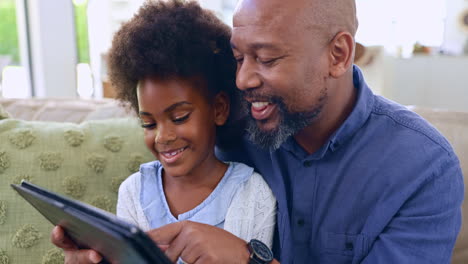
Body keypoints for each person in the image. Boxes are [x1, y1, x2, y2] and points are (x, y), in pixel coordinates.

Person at [54, 0, 464, 263]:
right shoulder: (230, 125)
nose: (244, 79)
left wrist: (250, 261)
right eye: (238, 57)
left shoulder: (423, 168)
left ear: (338, 54)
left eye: (266, 58)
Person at [51, 1, 276, 263]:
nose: (162, 137)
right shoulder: (134, 192)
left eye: (179, 117)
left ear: (219, 108)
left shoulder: (251, 193)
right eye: (149, 123)